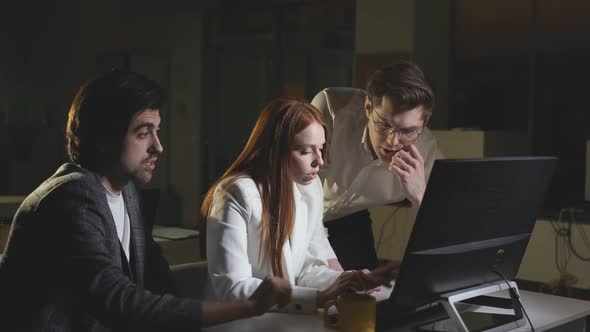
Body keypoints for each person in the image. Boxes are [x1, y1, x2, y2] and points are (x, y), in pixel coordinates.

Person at [0, 70, 291, 331]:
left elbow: (158, 281)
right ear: (104, 138)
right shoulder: (71, 197)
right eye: (143, 133)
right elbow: (121, 303)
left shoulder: (127, 192)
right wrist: (249, 306)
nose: (158, 147)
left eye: (157, 131)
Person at [201, 97, 396, 314]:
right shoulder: (235, 194)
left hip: (280, 318)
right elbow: (233, 289)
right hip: (238, 321)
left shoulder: (309, 188)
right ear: (274, 150)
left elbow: (307, 267)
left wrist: (345, 281)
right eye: (305, 151)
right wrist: (320, 297)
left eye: (321, 148)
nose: (319, 161)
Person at [311, 62, 444, 271]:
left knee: (366, 293)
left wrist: (419, 196)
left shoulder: (427, 153)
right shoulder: (331, 110)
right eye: (384, 125)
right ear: (368, 107)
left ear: (424, 122)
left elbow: (440, 237)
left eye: (408, 131)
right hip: (299, 213)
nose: (392, 141)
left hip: (348, 220)